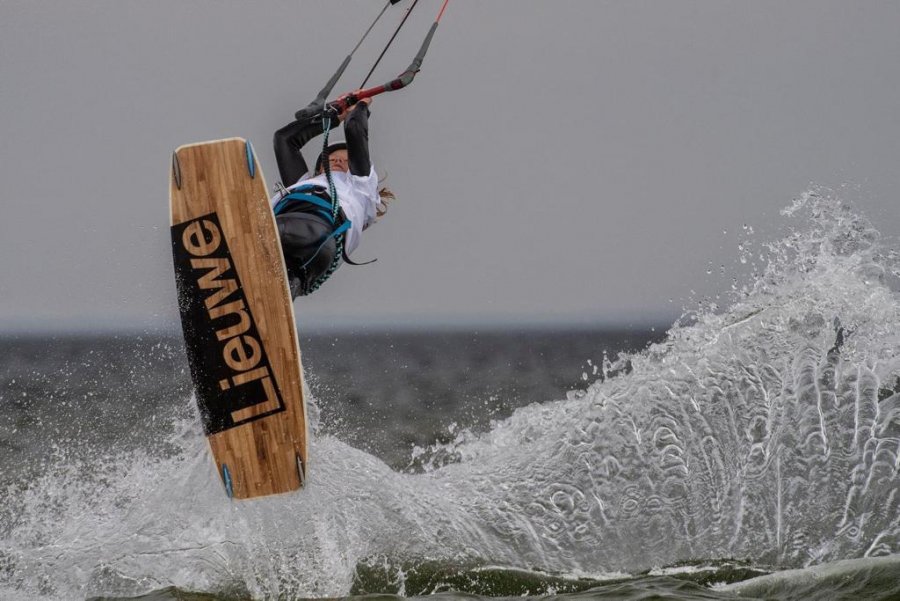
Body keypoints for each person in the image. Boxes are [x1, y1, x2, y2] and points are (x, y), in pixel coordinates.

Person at [271, 94, 392, 298]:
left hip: (314, 229)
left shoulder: (361, 186)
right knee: (285, 286)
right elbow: (284, 140)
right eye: (331, 158)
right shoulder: (305, 183)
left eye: (345, 161)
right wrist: (334, 116)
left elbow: (355, 130)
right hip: (319, 258)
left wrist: (361, 106)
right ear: (319, 170)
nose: (336, 161)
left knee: (251, 246)